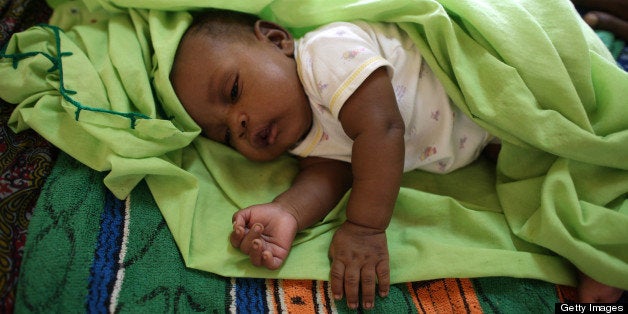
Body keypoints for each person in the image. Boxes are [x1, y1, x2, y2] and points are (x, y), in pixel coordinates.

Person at [169, 9, 624, 309]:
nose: (241, 123)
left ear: (275, 40)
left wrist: (365, 228)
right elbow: (333, 171)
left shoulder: (324, 56)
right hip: (491, 137)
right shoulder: (300, 138)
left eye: (232, 92)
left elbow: (382, 129)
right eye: (224, 133)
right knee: (560, 199)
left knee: (581, 140)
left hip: (498, 86)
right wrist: (287, 211)